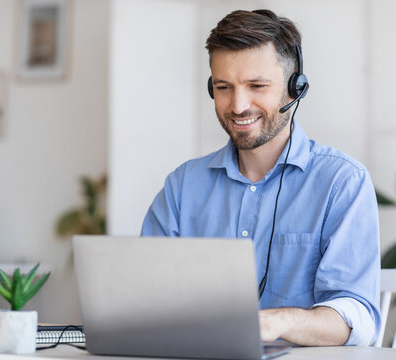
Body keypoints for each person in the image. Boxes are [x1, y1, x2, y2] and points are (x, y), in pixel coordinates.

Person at [141, 9, 380, 346]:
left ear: (295, 88)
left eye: (257, 86)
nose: (238, 105)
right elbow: (143, 297)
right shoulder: (182, 186)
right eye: (224, 87)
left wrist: (277, 321)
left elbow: (355, 318)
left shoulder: (342, 182)